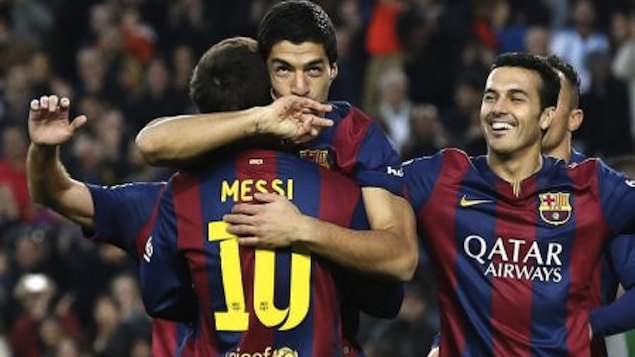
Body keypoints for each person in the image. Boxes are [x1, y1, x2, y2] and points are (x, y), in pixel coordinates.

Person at [27, 36, 402, 356]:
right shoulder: (339, 192)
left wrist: (43, 151)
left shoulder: (171, 200)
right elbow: (384, 300)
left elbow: (57, 193)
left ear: (203, 112)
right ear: (274, 98)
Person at [135, 0, 418, 281]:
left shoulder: (354, 134)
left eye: (313, 69)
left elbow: (401, 258)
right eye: (284, 69)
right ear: (265, 71)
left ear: (333, 70)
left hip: (330, 307)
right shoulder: (241, 121)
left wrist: (302, 229)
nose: (300, 87)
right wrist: (256, 122)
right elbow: (150, 143)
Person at [403, 52, 635, 356]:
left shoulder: (599, 191)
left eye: (518, 98)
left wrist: (590, 323)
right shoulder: (453, 180)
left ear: (553, 115)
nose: (502, 109)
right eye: (493, 97)